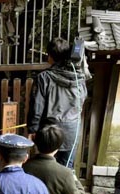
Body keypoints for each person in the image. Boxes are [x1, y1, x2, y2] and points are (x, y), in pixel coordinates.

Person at [27, 37, 87, 168]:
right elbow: (82, 100)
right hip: (72, 130)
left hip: (49, 131)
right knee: (66, 169)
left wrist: (32, 129)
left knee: (44, 167)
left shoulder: (44, 78)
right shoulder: (79, 78)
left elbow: (37, 106)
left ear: (50, 56)